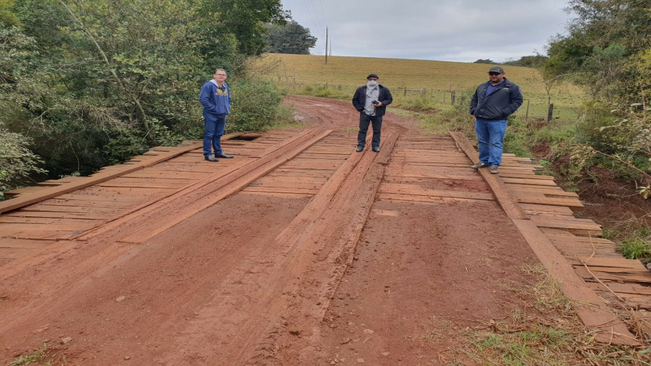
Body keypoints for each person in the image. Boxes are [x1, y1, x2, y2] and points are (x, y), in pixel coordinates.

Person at [469, 65, 523, 174]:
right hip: (481, 119)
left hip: (498, 120)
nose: (494, 76)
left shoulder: (510, 87)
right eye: (491, 74)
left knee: (496, 142)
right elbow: (474, 99)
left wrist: (504, 112)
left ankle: (494, 164)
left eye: (496, 74)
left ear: (503, 74)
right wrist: (474, 110)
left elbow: (517, 101)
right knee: (482, 141)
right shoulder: (482, 86)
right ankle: (484, 161)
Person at [352, 73, 393, 152]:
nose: (372, 81)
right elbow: (355, 100)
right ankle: (360, 145)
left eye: (374, 80)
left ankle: (375, 146)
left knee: (377, 130)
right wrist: (360, 108)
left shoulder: (383, 89)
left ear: (377, 80)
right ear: (367, 80)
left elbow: (389, 99)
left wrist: (381, 103)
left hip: (377, 113)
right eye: (370, 79)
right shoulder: (361, 89)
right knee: (362, 130)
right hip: (365, 112)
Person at [199, 68, 233, 162]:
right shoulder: (209, 85)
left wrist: (226, 108)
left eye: (223, 75)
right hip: (211, 114)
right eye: (219, 74)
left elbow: (228, 98)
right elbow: (203, 99)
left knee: (218, 134)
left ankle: (218, 152)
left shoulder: (225, 87)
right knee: (209, 134)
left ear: (225, 77)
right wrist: (214, 109)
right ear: (214, 76)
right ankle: (208, 154)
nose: (221, 76)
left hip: (222, 114)